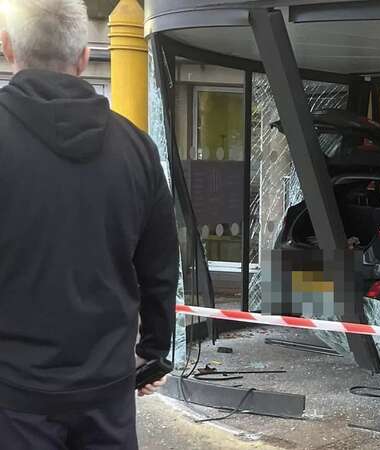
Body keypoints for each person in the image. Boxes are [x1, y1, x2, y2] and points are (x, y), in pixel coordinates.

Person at [0, 1, 178, 449]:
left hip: (13, 397)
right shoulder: (137, 149)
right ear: (83, 56)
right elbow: (159, 268)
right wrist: (153, 353)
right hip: (107, 395)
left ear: (6, 48)